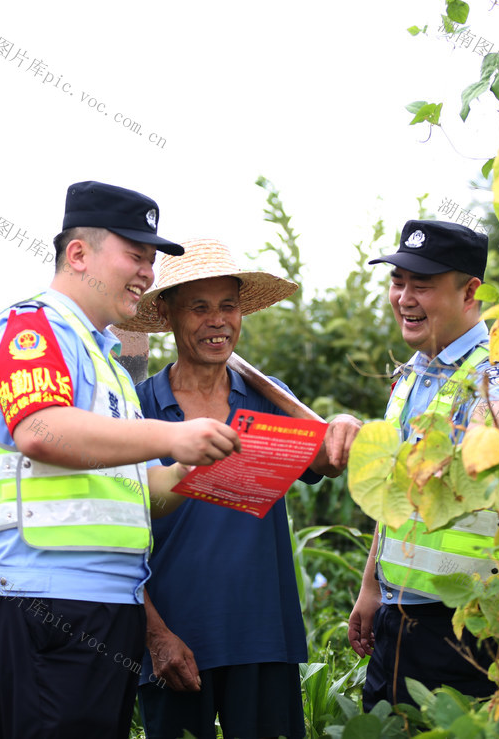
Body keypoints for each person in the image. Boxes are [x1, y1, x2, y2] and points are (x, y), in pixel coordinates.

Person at [0, 181, 242, 739]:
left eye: (150, 260)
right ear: (78, 254)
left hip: (108, 607)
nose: (147, 273)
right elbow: (40, 430)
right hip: (44, 603)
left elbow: (143, 496)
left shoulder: (110, 365)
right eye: (135, 255)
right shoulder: (33, 327)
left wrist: (193, 467)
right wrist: (174, 436)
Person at [118, 238, 361, 739]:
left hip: (262, 637)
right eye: (199, 308)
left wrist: (341, 423)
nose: (218, 321)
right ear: (166, 313)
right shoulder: (137, 410)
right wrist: (154, 635)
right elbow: (114, 536)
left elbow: (329, 459)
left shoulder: (269, 399)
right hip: (176, 644)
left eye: (228, 307)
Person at [347, 219, 499, 710]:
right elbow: (394, 496)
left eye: (421, 285)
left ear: (470, 292)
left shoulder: (498, 368)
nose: (404, 298)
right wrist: (371, 587)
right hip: (396, 615)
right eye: (397, 281)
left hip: (468, 627)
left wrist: (491, 422)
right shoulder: (412, 375)